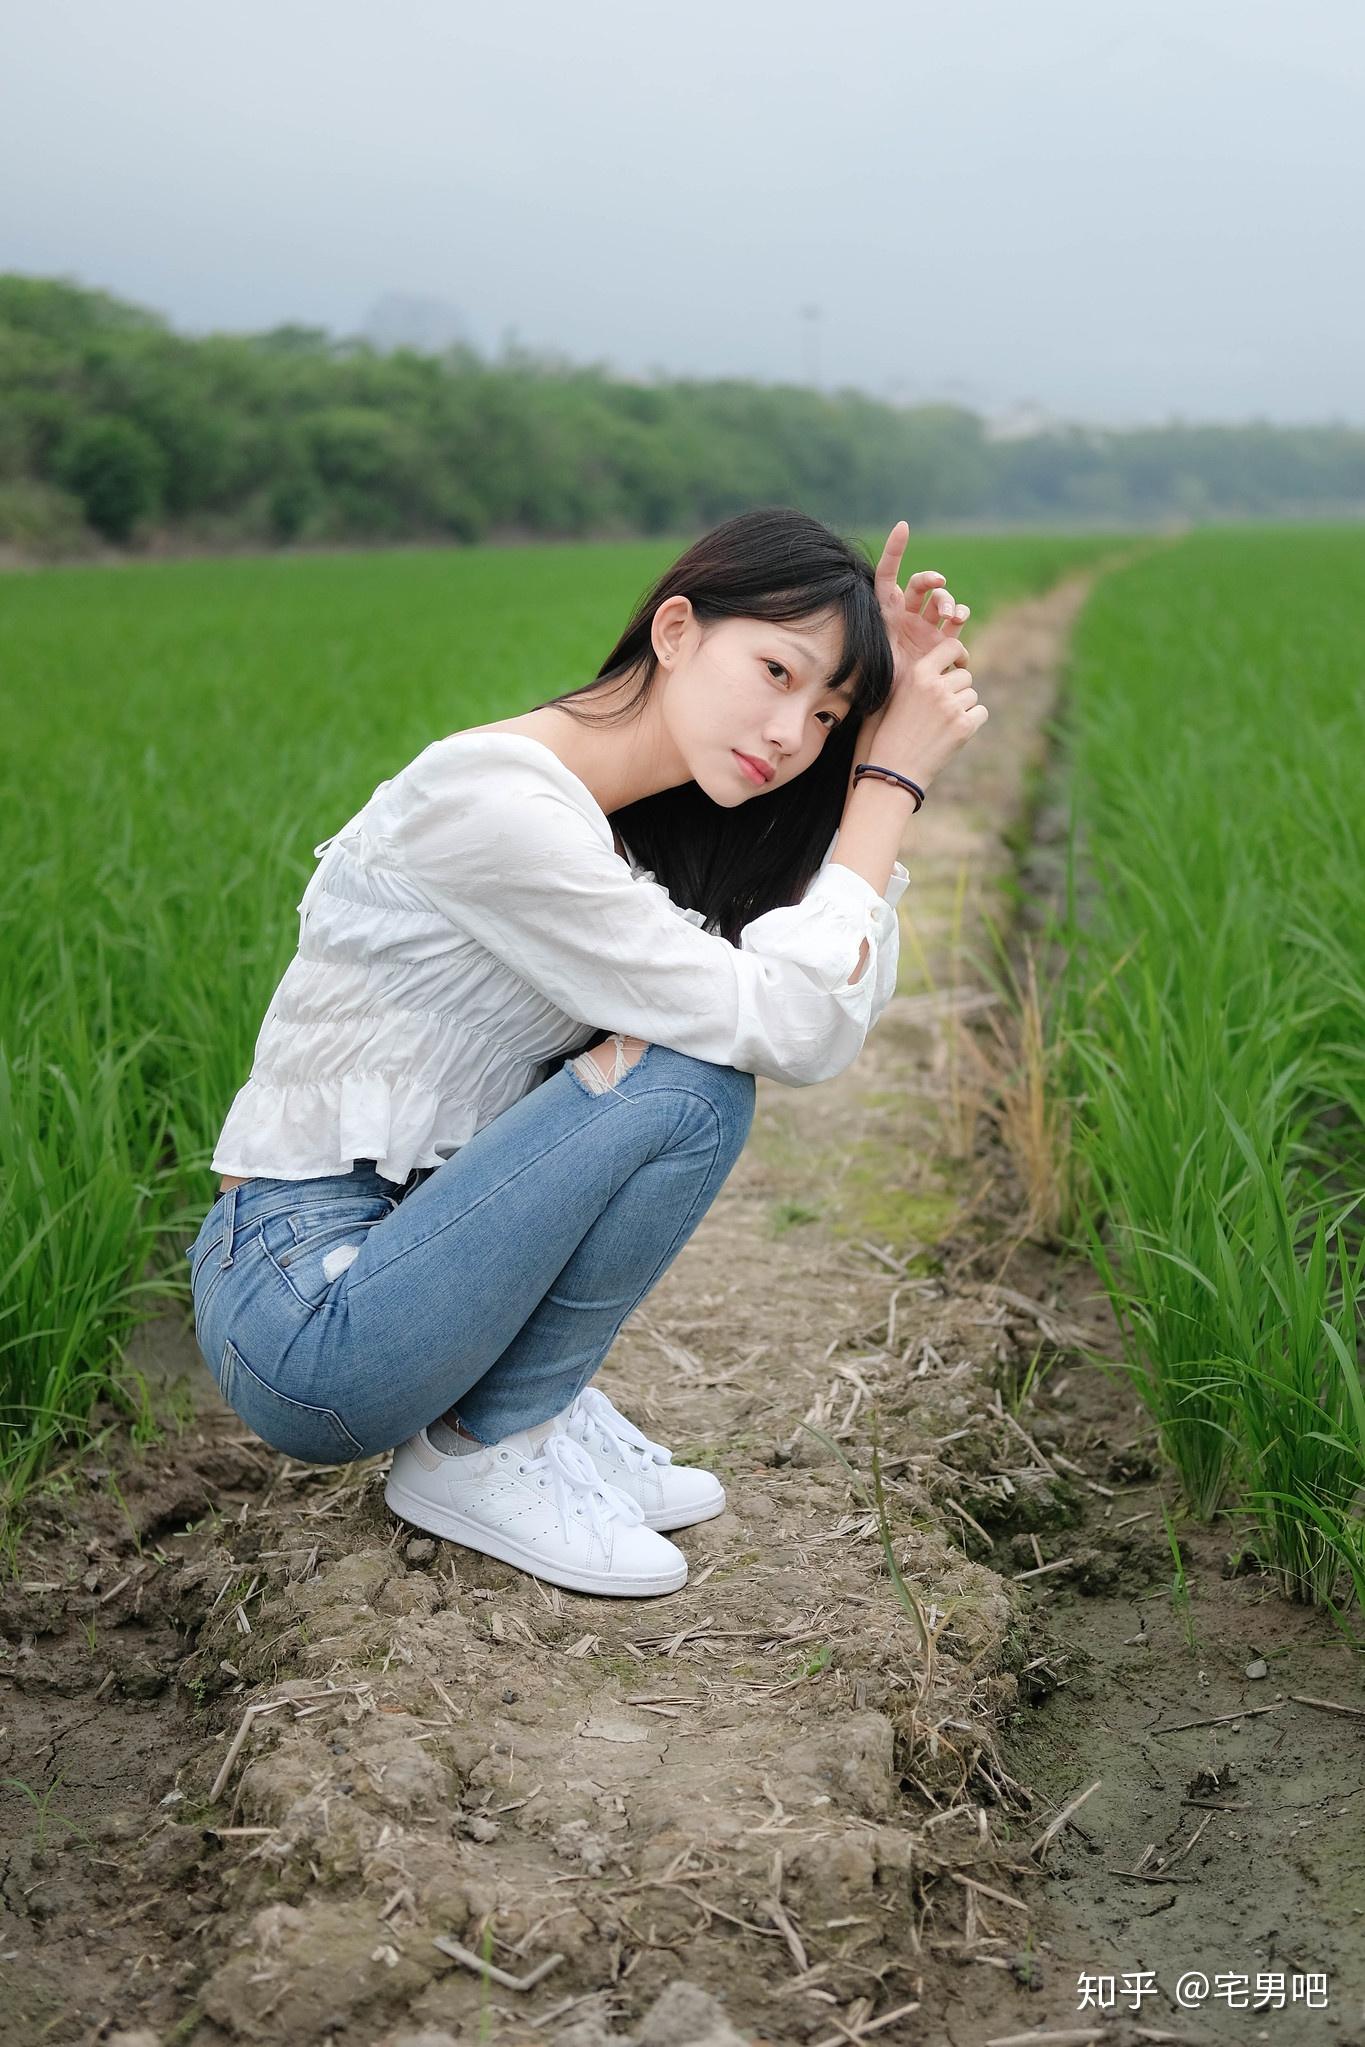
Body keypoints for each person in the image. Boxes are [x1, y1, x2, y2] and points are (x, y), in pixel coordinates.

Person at [185, 507, 985, 1600]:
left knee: (696, 1056)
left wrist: (875, 713)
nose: (792, 732)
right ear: (675, 630)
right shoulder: (495, 805)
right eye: (775, 670)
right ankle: (483, 1445)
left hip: (404, 1253)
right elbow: (790, 1024)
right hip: (307, 1317)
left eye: (828, 714)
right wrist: (889, 783)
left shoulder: (616, 831)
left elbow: (816, 994)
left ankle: (526, 1409)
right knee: (689, 1082)